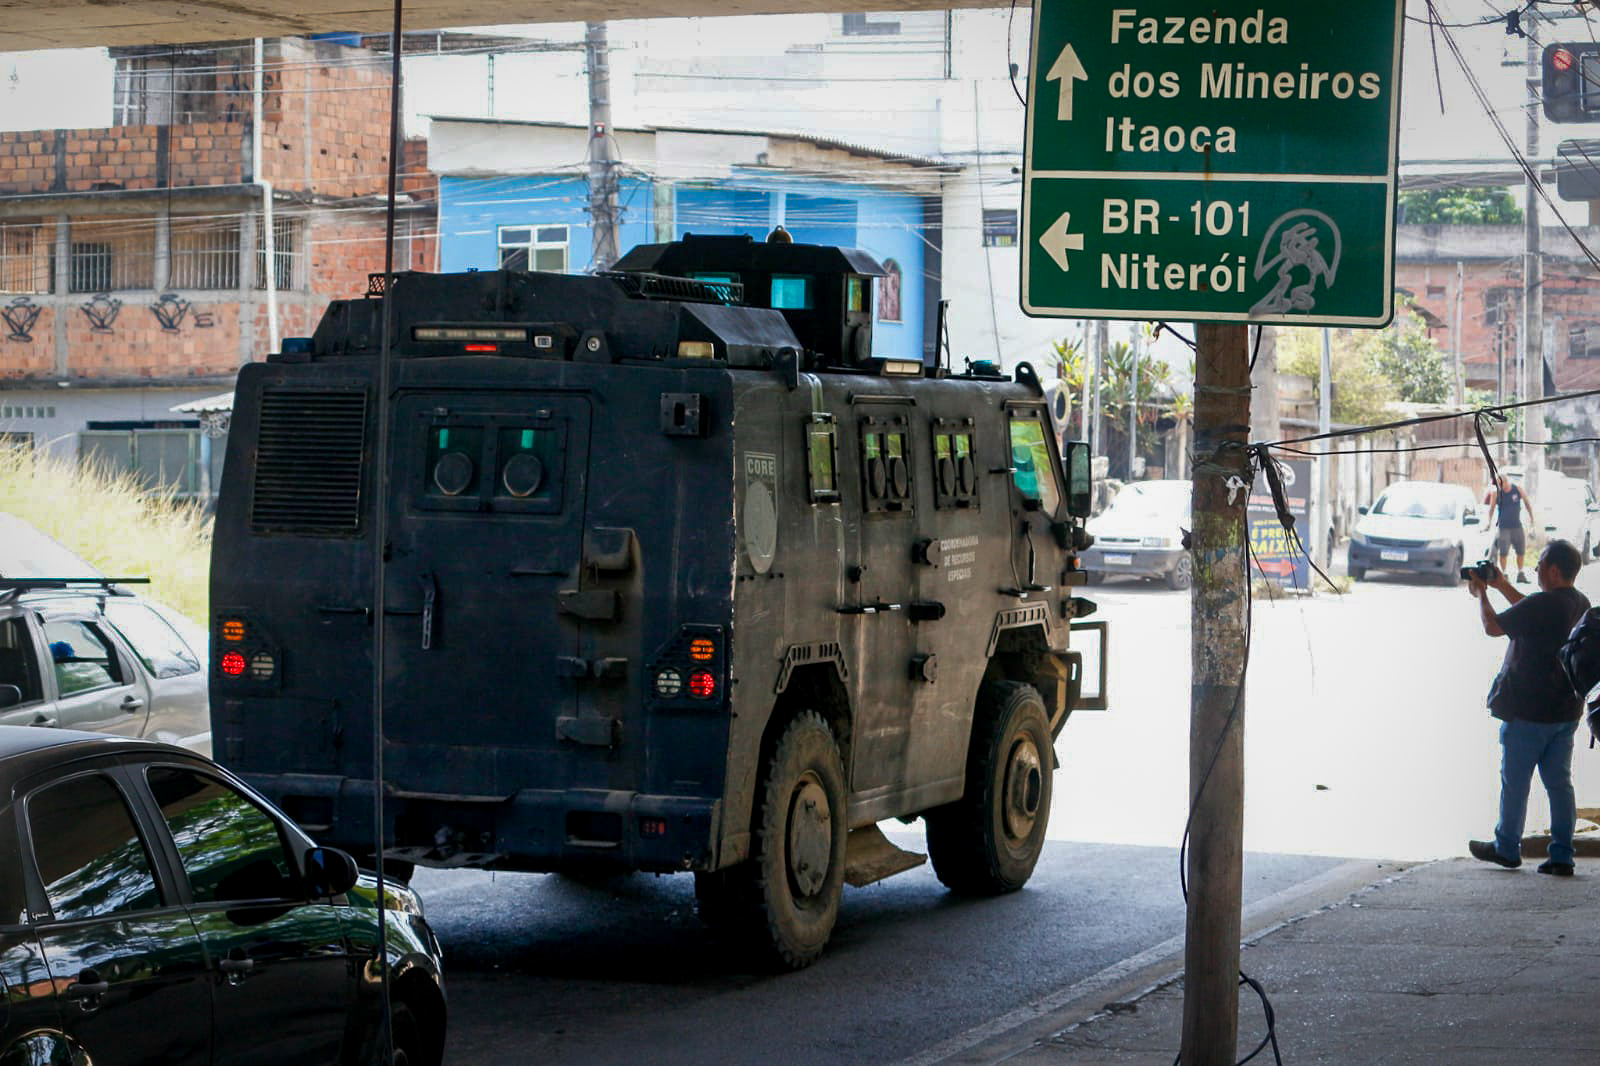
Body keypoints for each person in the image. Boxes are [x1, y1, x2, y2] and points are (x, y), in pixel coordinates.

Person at [1467, 539, 1590, 875]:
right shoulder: (1579, 602)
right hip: (1566, 711)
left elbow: (1494, 627)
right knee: (1560, 784)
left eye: (1539, 567)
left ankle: (1507, 847)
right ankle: (1562, 855)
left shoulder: (1542, 605)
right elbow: (1528, 609)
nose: (1535, 571)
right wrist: (1503, 584)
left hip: (1530, 712)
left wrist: (1483, 595)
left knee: (1516, 782)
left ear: (1552, 570)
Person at [1484, 474, 1536, 583]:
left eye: (1500, 483)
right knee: (1503, 552)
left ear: (1506, 481)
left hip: (1517, 525)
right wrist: (1488, 522)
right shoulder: (1496, 493)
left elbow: (1527, 504)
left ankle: (1520, 573)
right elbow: (1491, 509)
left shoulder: (1517, 489)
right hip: (1503, 527)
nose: (1499, 485)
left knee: (1521, 551)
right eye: (1497, 484)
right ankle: (1504, 574)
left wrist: (1532, 521)